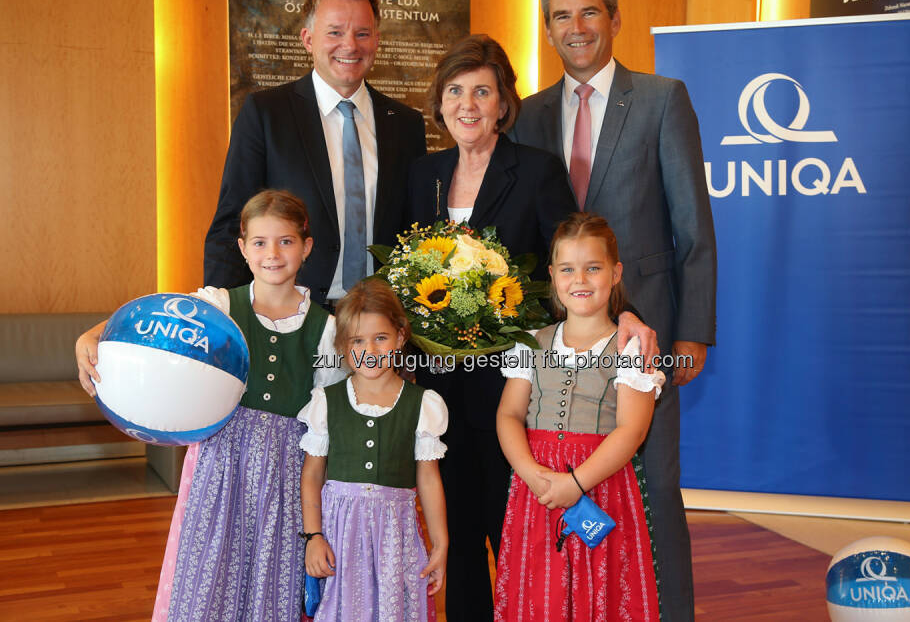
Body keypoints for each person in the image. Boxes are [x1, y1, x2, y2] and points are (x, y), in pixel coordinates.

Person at [509, 0, 717, 621]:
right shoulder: (530, 115)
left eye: (589, 12)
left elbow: (694, 227)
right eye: (562, 16)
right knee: (564, 497)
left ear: (615, 18)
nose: (577, 28)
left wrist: (692, 332)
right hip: (558, 344)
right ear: (547, 29)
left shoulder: (662, 98)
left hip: (643, 333)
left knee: (653, 486)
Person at [75, 190, 345, 621]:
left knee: (271, 569)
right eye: (259, 242)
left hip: (287, 469)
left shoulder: (327, 329)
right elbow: (152, 322)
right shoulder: (219, 306)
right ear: (242, 248)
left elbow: (330, 418)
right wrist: (90, 335)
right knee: (210, 560)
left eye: (285, 241)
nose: (272, 253)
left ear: (306, 246)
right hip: (221, 458)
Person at [403, 34, 579, 619]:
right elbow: (397, 274)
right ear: (440, 101)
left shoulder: (536, 170)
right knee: (454, 522)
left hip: (508, 382)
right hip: (435, 383)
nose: (468, 105)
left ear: (504, 102)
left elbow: (561, 266)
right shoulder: (421, 174)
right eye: (455, 91)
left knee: (512, 523)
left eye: (482, 91)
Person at [205, 0, 427, 309]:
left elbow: (415, 234)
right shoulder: (266, 114)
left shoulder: (406, 124)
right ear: (308, 39)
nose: (350, 45)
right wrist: (219, 318)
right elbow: (232, 224)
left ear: (377, 40)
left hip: (380, 324)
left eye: (363, 33)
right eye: (335, 32)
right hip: (289, 321)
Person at [494, 212, 662, 621]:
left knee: (600, 588)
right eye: (568, 269)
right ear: (552, 275)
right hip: (537, 488)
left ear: (616, 272)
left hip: (599, 485)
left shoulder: (630, 348)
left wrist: (576, 483)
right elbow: (509, 415)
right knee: (538, 591)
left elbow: (631, 431)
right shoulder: (531, 343)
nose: (580, 280)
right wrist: (533, 474)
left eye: (593, 268)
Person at [298, 277, 448, 621]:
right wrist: (313, 536)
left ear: (400, 336)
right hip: (339, 534)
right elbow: (312, 475)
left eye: (380, 338)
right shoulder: (326, 402)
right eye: (358, 341)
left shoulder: (423, 404)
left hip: (395, 534)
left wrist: (440, 545)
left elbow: (429, 480)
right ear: (343, 348)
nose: (370, 350)